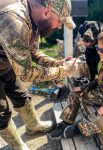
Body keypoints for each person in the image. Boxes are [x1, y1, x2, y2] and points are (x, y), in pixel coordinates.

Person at [0, 0, 76, 149]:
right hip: (5, 60)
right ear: (47, 12)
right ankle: (19, 146)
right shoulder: (14, 21)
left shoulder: (34, 20)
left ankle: (33, 126)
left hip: (5, 61)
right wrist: (63, 71)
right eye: (60, 21)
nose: (59, 26)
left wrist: (57, 63)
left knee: (20, 94)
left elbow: (34, 52)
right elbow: (26, 73)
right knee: (1, 112)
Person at [49, 26, 103, 139]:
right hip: (101, 96)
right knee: (75, 93)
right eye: (97, 47)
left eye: (102, 50)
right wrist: (85, 88)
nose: (98, 51)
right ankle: (67, 121)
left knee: (101, 121)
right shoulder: (102, 62)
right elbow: (98, 80)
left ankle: (79, 128)